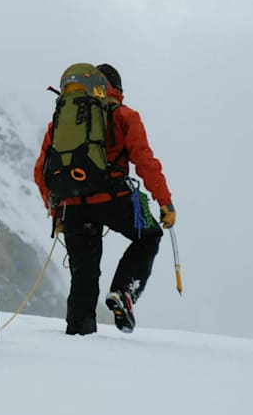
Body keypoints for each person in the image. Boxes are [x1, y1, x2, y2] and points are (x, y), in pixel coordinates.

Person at [33, 63, 175, 335]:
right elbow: (145, 162)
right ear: (117, 89)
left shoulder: (61, 120)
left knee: (84, 274)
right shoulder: (124, 115)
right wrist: (164, 202)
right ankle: (124, 290)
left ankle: (79, 332)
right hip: (114, 198)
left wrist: (56, 214)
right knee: (149, 235)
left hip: (73, 207)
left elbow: (41, 170)